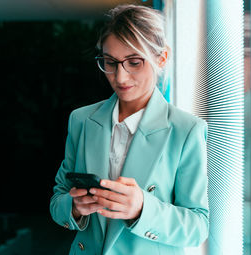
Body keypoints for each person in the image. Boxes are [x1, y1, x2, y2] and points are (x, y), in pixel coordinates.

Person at [50, 4, 209, 255]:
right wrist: (74, 207)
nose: (120, 77)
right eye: (110, 62)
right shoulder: (81, 120)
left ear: (162, 58)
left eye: (134, 62)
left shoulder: (186, 130)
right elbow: (58, 197)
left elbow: (198, 226)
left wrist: (143, 209)